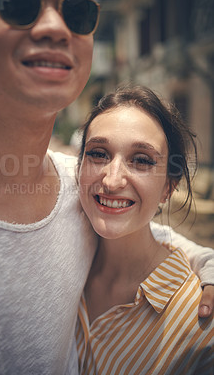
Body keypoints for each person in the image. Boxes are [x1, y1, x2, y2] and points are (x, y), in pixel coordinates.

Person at [0, 0, 213, 374]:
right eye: (18, 1)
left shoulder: (80, 182)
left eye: (76, 10)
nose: (56, 26)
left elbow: (149, 232)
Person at [75, 84, 214, 375]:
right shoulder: (59, 258)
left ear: (168, 188)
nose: (112, 181)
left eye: (141, 160)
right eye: (98, 154)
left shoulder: (201, 325)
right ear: (77, 170)